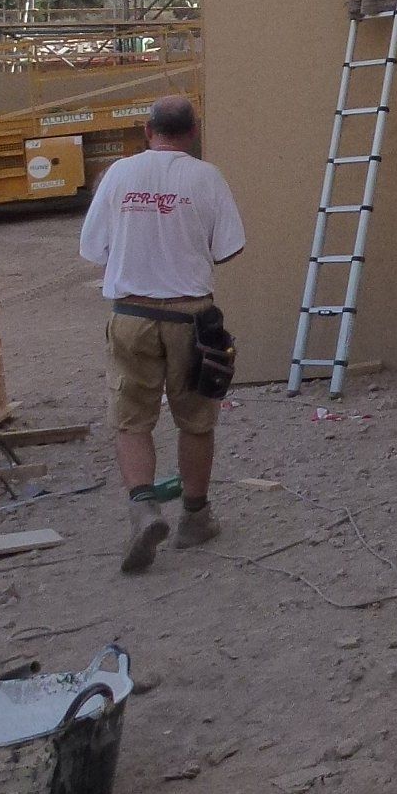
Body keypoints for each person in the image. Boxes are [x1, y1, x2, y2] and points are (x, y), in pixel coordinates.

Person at [78, 95, 246, 575]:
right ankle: (195, 516)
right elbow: (229, 247)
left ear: (147, 131)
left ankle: (143, 508)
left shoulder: (118, 174)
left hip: (131, 314)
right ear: (193, 133)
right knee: (195, 419)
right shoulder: (207, 177)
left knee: (132, 419)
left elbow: (93, 248)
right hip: (191, 319)